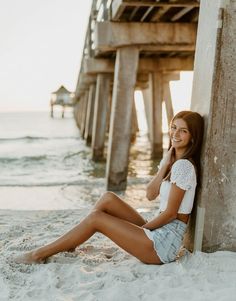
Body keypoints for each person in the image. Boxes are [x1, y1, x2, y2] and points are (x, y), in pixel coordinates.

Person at [15, 110, 204, 265]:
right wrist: (164, 166)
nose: (175, 134)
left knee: (96, 218)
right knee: (108, 199)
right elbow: (149, 194)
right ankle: (70, 244)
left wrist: (144, 230)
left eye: (183, 131)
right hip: (159, 232)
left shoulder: (184, 166)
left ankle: (38, 255)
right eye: (173, 128)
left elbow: (171, 214)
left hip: (163, 245)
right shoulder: (173, 162)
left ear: (193, 137)